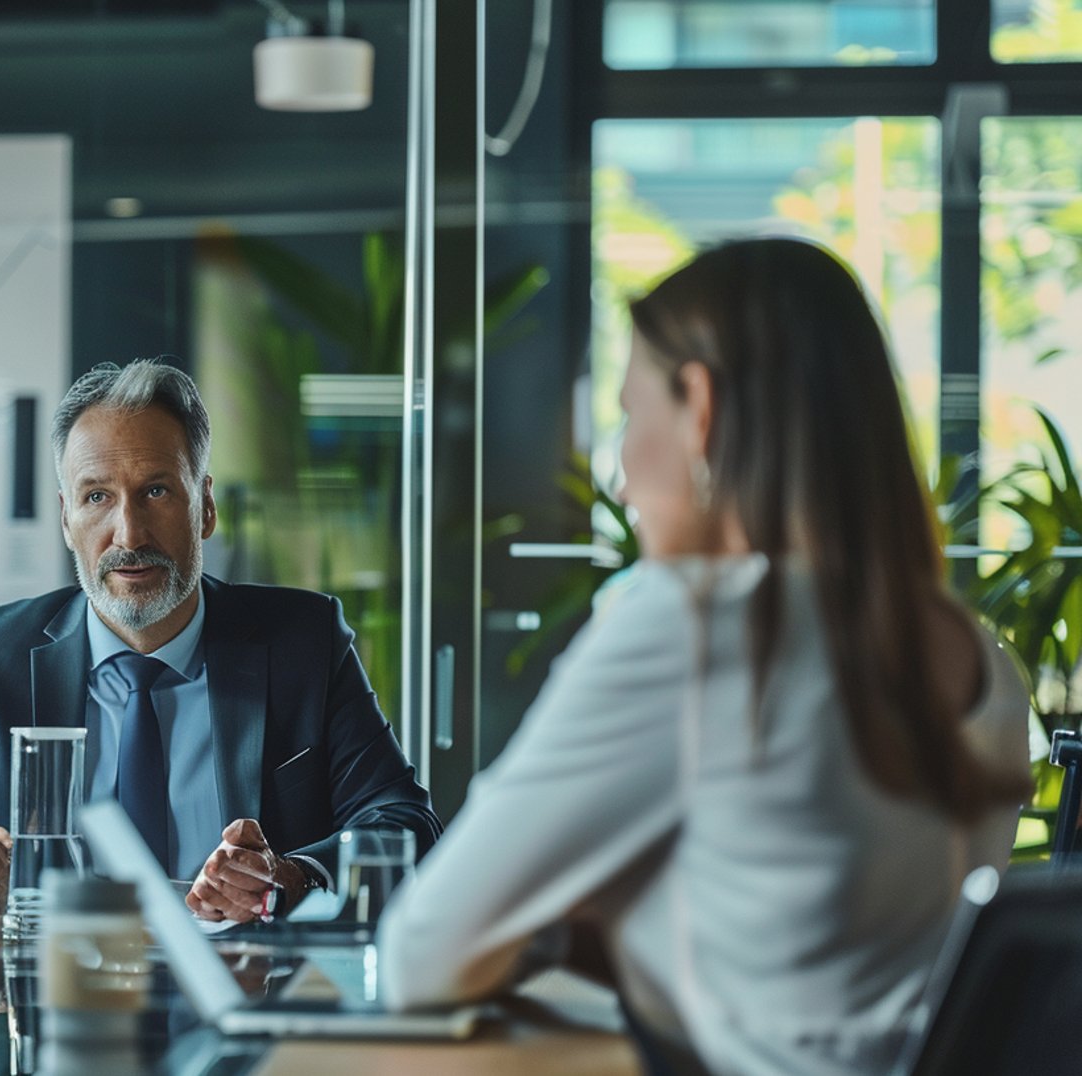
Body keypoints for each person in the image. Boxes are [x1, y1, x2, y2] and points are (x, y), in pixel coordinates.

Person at [377, 239, 1032, 1075]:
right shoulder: (982, 659)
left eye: (625, 413)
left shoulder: (701, 626)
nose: (616, 478)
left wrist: (566, 914)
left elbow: (420, 957)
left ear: (699, 406)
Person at [0, 358, 441, 921]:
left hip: (245, 992)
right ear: (66, 519)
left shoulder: (303, 643)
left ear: (205, 506)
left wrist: (295, 875)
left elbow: (404, 822)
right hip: (60, 994)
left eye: (157, 491)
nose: (129, 533)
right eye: (97, 497)